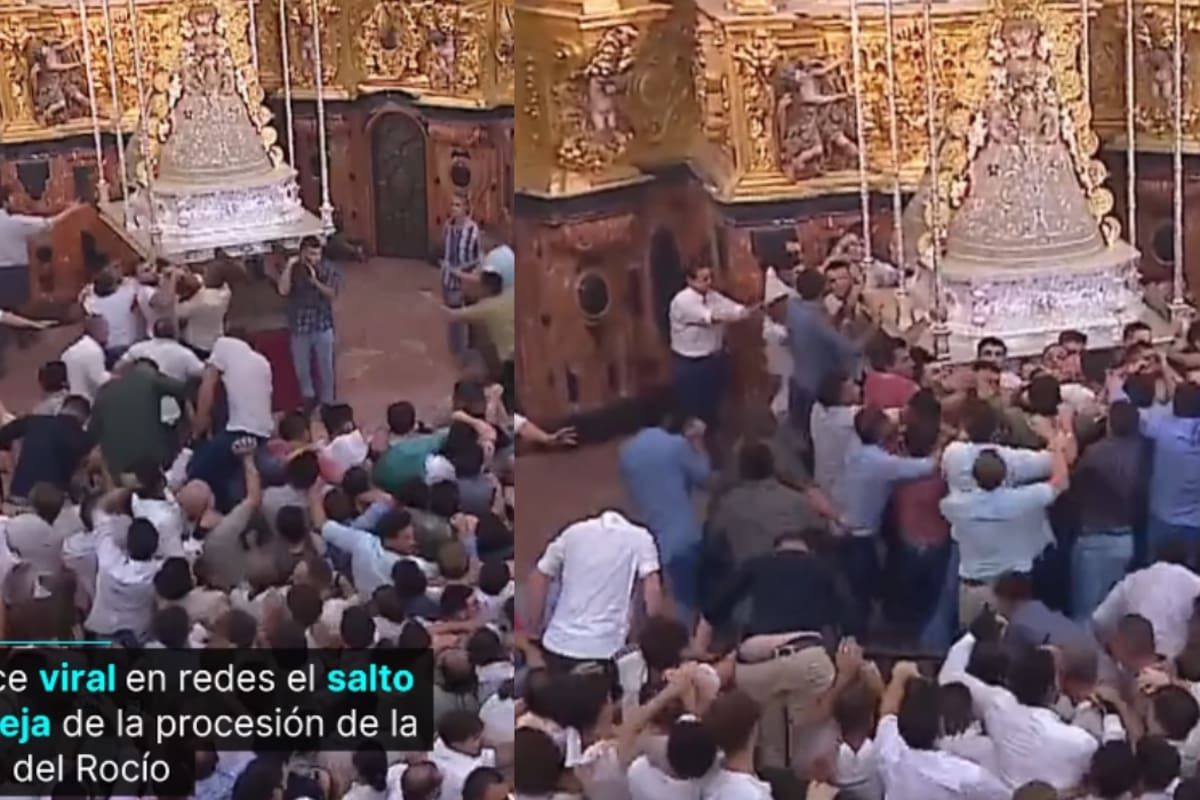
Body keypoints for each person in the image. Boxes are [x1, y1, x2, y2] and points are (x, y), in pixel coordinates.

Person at [524, 510, 663, 675]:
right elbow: (652, 588)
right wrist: (653, 637)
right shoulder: (641, 538)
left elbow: (538, 577)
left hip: (557, 644)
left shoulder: (572, 533)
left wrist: (534, 631)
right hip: (607, 650)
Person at [618, 409, 710, 622]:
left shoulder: (626, 451)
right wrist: (697, 443)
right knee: (685, 598)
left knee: (649, 595)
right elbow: (704, 477)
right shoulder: (676, 445)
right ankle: (683, 643)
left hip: (646, 532)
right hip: (681, 534)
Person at [876, 661, 1009, 800]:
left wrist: (900, 675)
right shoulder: (968, 777)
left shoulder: (890, 753)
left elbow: (887, 712)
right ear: (940, 723)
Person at [1069, 400, 1147, 620]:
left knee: (1088, 614)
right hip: (1128, 538)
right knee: (1121, 612)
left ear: (1110, 424)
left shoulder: (1094, 454)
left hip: (1095, 541)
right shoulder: (1147, 450)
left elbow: (1073, 491)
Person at [668, 264, 751, 428]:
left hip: (714, 359)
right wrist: (736, 315)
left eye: (710, 278)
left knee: (714, 403)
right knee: (695, 410)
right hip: (692, 364)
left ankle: (715, 436)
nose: (709, 282)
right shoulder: (683, 301)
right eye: (704, 279)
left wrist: (743, 310)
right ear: (690, 280)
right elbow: (712, 317)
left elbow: (730, 306)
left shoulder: (712, 295)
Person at [278, 236, 341, 413]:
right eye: (310, 254)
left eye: (317, 254)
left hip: (322, 326)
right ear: (302, 253)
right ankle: (309, 399)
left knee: (326, 369)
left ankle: (328, 404)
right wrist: (290, 266)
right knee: (302, 369)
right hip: (300, 327)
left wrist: (314, 280)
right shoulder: (294, 269)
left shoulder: (328, 269)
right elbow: (283, 290)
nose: (315, 258)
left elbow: (332, 294)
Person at [441, 193, 481, 361]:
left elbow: (478, 257)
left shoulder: (472, 230)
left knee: (469, 318)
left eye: (458, 205)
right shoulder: (447, 227)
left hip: (466, 280)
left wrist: (463, 271)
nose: (454, 209)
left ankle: (469, 353)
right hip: (447, 279)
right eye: (452, 205)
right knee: (453, 318)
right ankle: (456, 353)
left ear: (465, 208)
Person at [61, 315, 111, 402]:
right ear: (95, 329)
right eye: (104, 329)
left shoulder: (71, 349)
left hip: (68, 400)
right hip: (86, 402)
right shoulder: (93, 350)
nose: (107, 332)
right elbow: (99, 380)